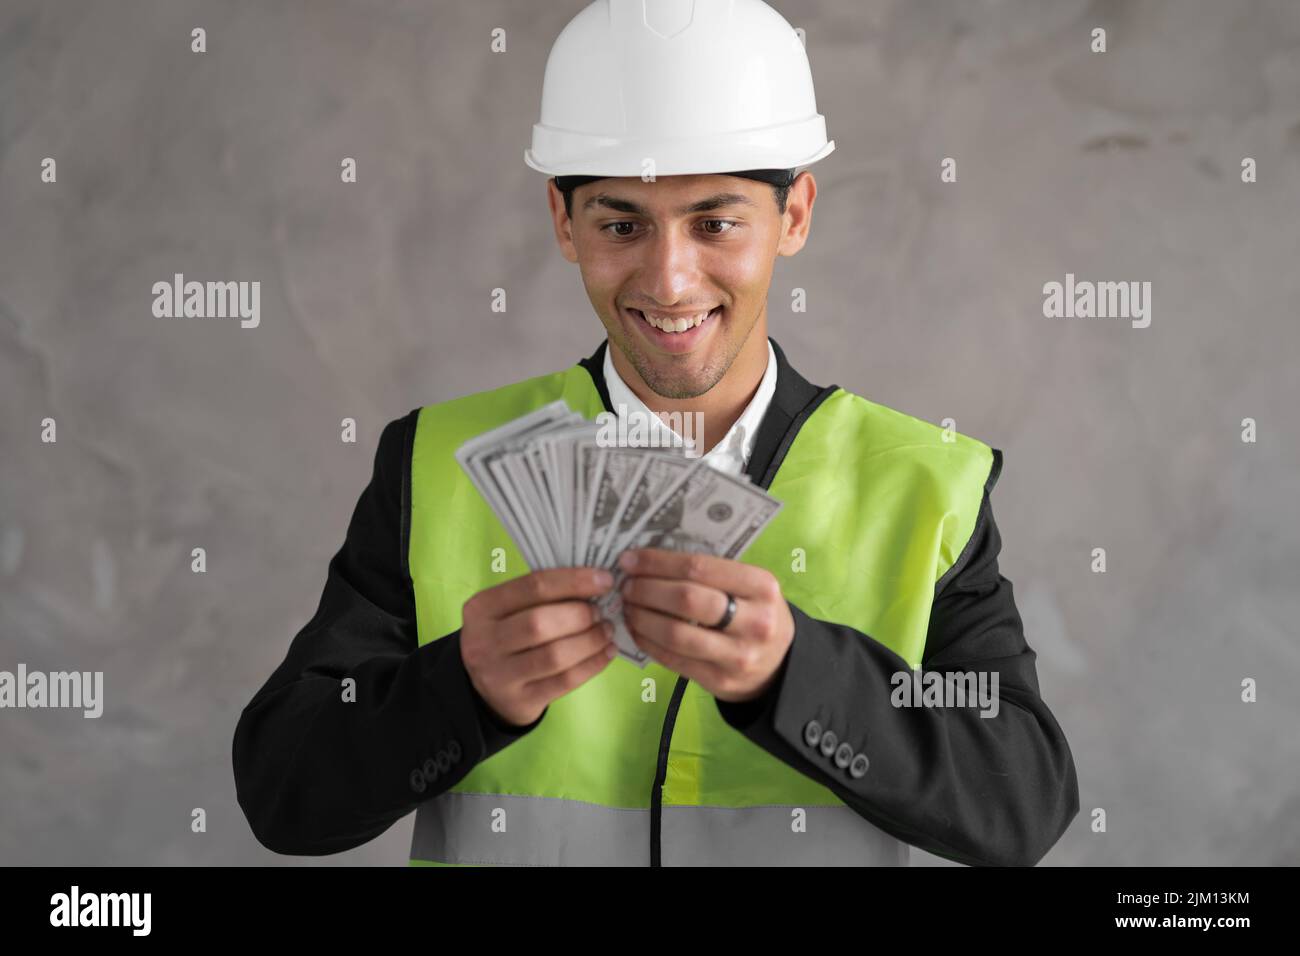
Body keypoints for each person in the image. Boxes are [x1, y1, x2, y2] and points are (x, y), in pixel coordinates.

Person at [233, 0, 1079, 866]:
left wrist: (798, 676)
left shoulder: (927, 488)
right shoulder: (436, 464)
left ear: (794, 216)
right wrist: (459, 690)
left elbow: (1021, 804)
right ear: (564, 224)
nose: (670, 281)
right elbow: (284, 792)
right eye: (621, 224)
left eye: (716, 223)